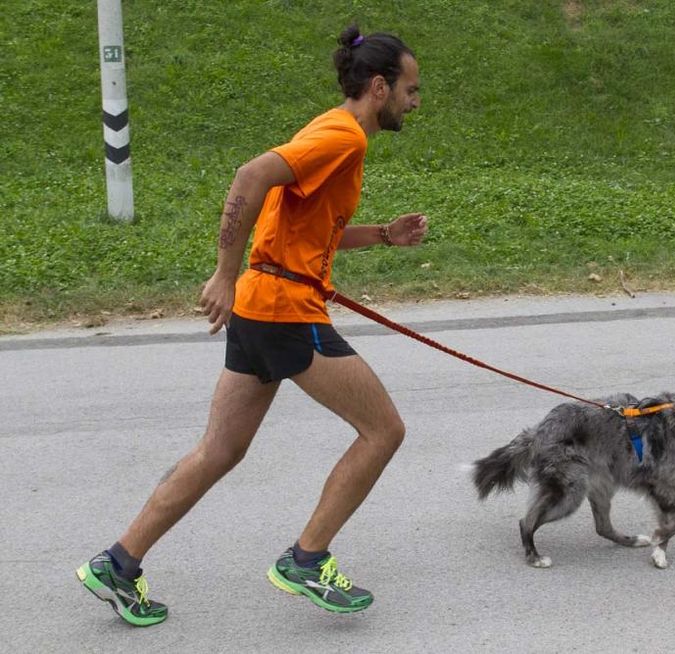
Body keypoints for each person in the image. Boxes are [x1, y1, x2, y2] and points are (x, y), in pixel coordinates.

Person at [76, 25, 426, 625]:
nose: (415, 102)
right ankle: (306, 559)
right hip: (283, 311)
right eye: (411, 90)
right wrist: (222, 273)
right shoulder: (343, 135)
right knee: (384, 431)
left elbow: (311, 230)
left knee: (220, 449)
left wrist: (384, 236)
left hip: (263, 308)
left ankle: (118, 562)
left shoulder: (334, 134)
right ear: (378, 86)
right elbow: (249, 176)